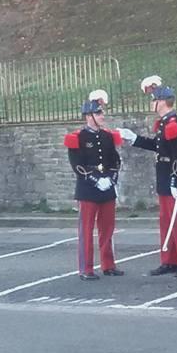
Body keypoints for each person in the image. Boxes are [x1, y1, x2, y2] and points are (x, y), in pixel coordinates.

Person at [119, 76, 177, 278]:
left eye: (153, 100)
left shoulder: (173, 123)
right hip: (163, 173)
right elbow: (157, 146)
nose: (152, 103)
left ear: (161, 101)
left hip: (172, 175)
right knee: (165, 220)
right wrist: (134, 139)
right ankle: (169, 259)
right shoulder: (163, 123)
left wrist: (175, 179)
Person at [64, 91, 124, 281]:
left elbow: (115, 161)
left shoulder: (107, 136)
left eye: (101, 113)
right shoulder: (78, 137)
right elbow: (77, 165)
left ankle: (108, 264)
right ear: (89, 116)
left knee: (108, 228)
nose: (102, 116)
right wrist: (95, 180)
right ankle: (86, 268)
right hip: (88, 188)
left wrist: (111, 179)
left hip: (107, 187)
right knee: (86, 230)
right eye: (98, 114)